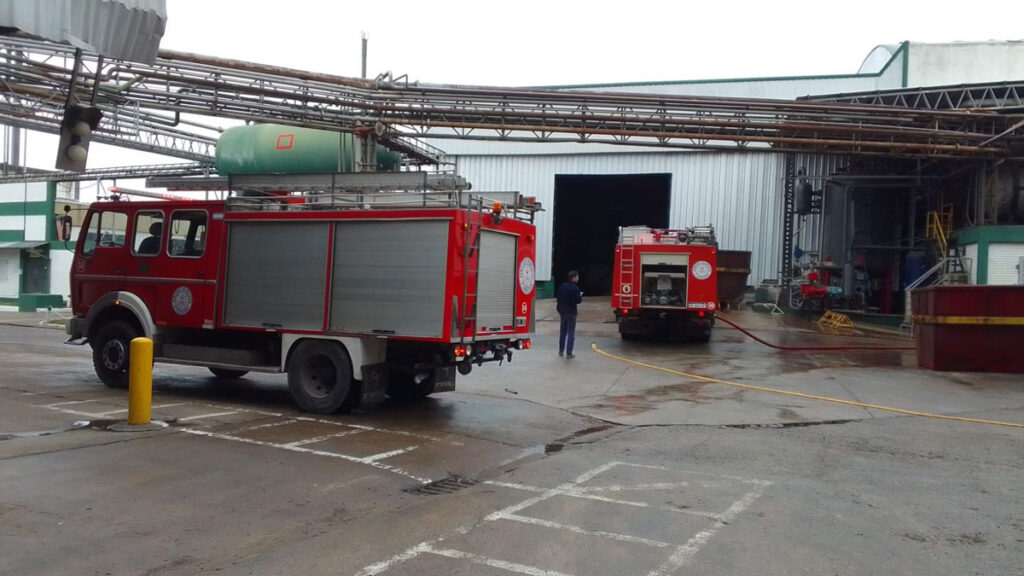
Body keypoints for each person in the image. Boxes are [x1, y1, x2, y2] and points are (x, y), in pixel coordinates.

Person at [556, 270, 583, 358]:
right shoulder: (575, 289)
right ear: (574, 278)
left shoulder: (562, 287)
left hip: (563, 312)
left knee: (563, 332)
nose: (578, 278)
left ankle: (560, 351)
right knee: (571, 333)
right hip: (571, 313)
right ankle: (569, 353)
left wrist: (559, 309)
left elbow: (558, 299)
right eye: (577, 277)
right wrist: (580, 296)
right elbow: (578, 301)